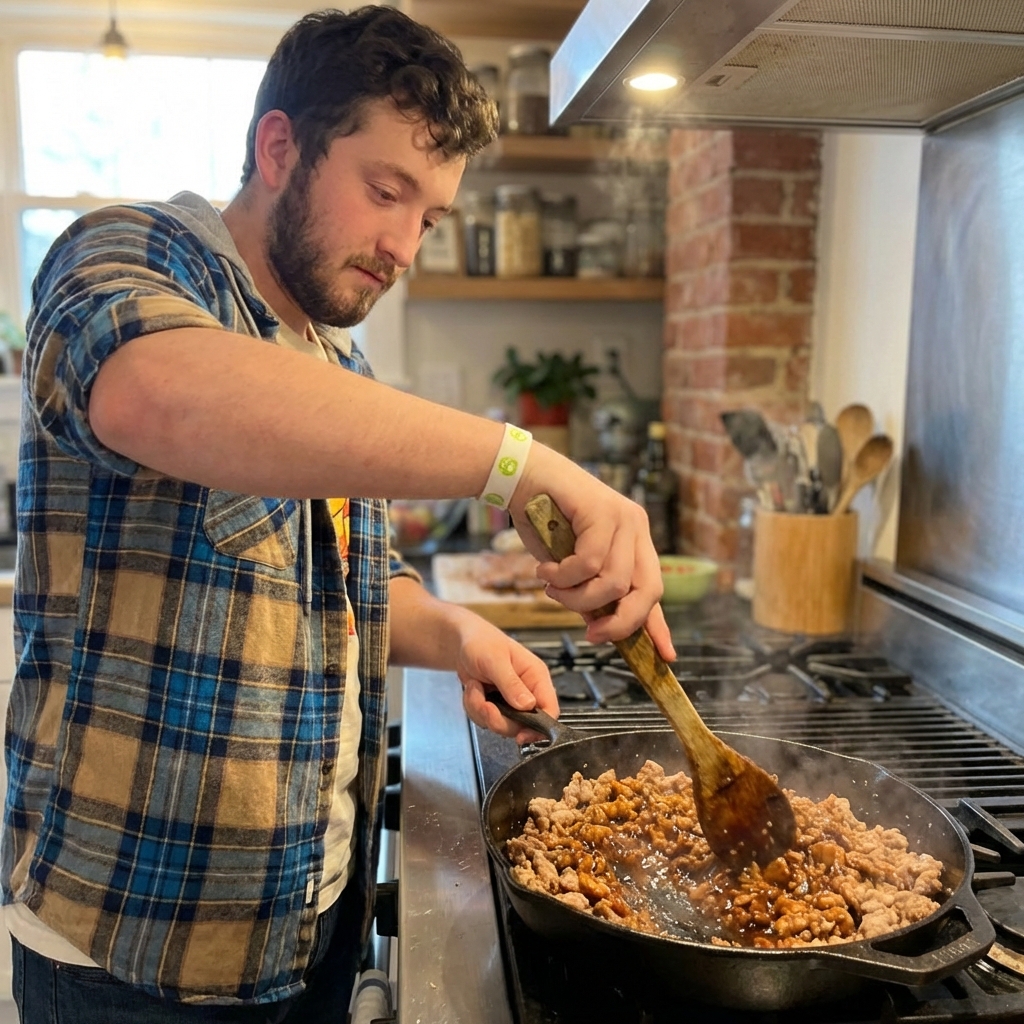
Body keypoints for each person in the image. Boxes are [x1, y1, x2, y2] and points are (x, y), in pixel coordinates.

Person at [1, 6, 675, 1021]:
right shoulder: (122, 255)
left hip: (310, 922)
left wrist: (454, 631)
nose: (402, 244)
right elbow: (159, 393)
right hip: (136, 943)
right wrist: (518, 462)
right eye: (384, 191)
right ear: (281, 148)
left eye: (431, 217)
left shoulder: (334, 359)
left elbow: (326, 582)